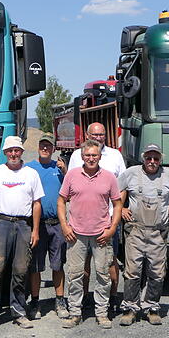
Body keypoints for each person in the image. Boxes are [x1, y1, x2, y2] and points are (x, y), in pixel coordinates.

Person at [118, 144, 169, 326]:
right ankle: (130, 308)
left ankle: (152, 307)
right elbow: (113, 191)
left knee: (157, 273)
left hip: (158, 232)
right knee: (132, 271)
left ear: (160, 160)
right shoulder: (131, 173)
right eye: (149, 158)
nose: (152, 162)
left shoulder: (168, 175)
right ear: (143, 158)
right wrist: (121, 209)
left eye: (156, 158)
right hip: (135, 230)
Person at [58, 140, 123, 328]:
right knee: (75, 274)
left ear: (100, 157)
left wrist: (112, 228)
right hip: (76, 234)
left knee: (103, 275)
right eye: (88, 155)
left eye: (94, 155)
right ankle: (75, 313)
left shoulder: (109, 177)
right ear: (82, 157)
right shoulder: (71, 175)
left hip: (101, 234)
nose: (91, 158)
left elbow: (118, 204)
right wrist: (64, 225)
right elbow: (61, 201)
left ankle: (102, 313)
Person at [0, 136, 43, 330]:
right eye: (10, 151)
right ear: (5, 153)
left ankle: (19, 311)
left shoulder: (31, 174)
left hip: (23, 226)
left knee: (20, 270)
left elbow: (37, 203)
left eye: (17, 150)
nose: (13, 154)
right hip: (0, 224)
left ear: (21, 152)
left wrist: (35, 230)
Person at [67, 122, 126, 311]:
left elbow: (122, 186)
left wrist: (117, 213)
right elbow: (71, 185)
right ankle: (83, 297)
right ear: (86, 135)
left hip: (107, 220)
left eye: (101, 134)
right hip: (82, 222)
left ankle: (112, 297)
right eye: (95, 134)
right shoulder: (77, 155)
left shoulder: (115, 155)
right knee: (82, 264)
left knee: (109, 262)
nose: (98, 137)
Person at [26, 133, 69, 320]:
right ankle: (35, 301)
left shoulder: (58, 168)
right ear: (38, 147)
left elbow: (72, 189)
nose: (45, 148)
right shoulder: (29, 169)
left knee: (58, 265)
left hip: (57, 224)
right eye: (42, 145)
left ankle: (60, 300)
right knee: (35, 266)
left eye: (49, 146)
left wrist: (65, 171)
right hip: (37, 225)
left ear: (53, 149)